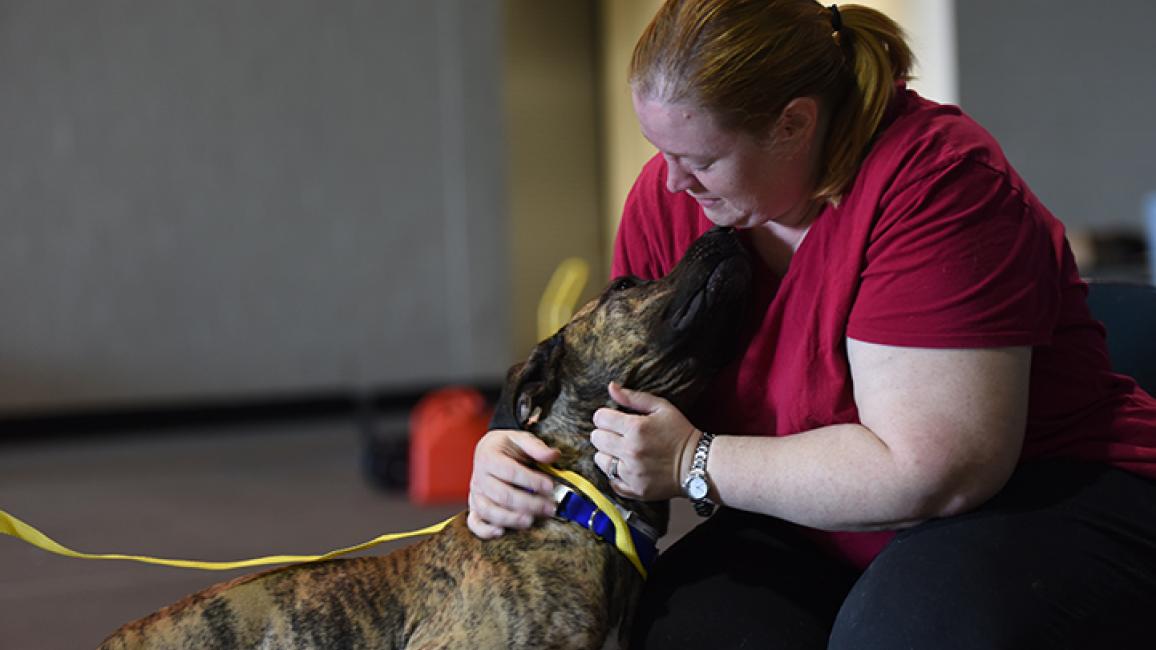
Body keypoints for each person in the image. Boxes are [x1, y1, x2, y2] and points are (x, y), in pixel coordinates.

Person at [467, 1, 1156, 647]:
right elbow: (612, 374)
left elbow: (935, 474)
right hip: (808, 519)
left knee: (908, 628)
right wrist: (510, 448)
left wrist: (692, 462)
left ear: (793, 123)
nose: (673, 182)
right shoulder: (674, 196)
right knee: (686, 631)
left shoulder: (937, 181)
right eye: (661, 150)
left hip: (1040, 493)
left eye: (702, 159)